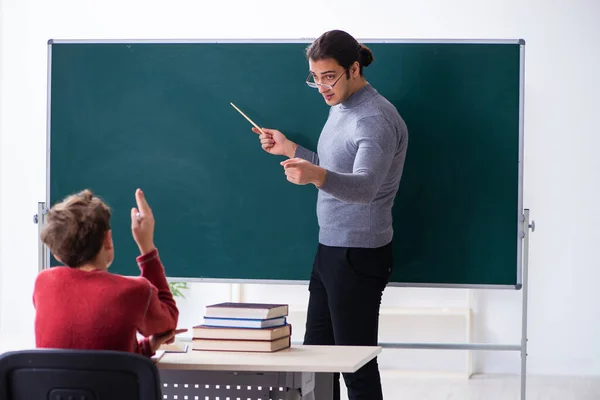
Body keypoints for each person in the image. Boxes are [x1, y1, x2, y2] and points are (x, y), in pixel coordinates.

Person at [251, 29, 408, 399]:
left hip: (358, 253)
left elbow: (365, 187)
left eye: (329, 76)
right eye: (315, 77)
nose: (322, 86)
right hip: (331, 249)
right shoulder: (341, 107)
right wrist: (290, 149)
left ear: (354, 68)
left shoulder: (374, 119)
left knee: (354, 364)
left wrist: (315, 175)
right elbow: (332, 167)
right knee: (317, 363)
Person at [33, 188, 185, 357]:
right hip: (114, 383)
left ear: (56, 253)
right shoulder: (134, 291)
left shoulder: (44, 283)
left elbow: (85, 359)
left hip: (53, 384)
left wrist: (149, 346)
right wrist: (147, 246)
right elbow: (169, 321)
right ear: (108, 239)